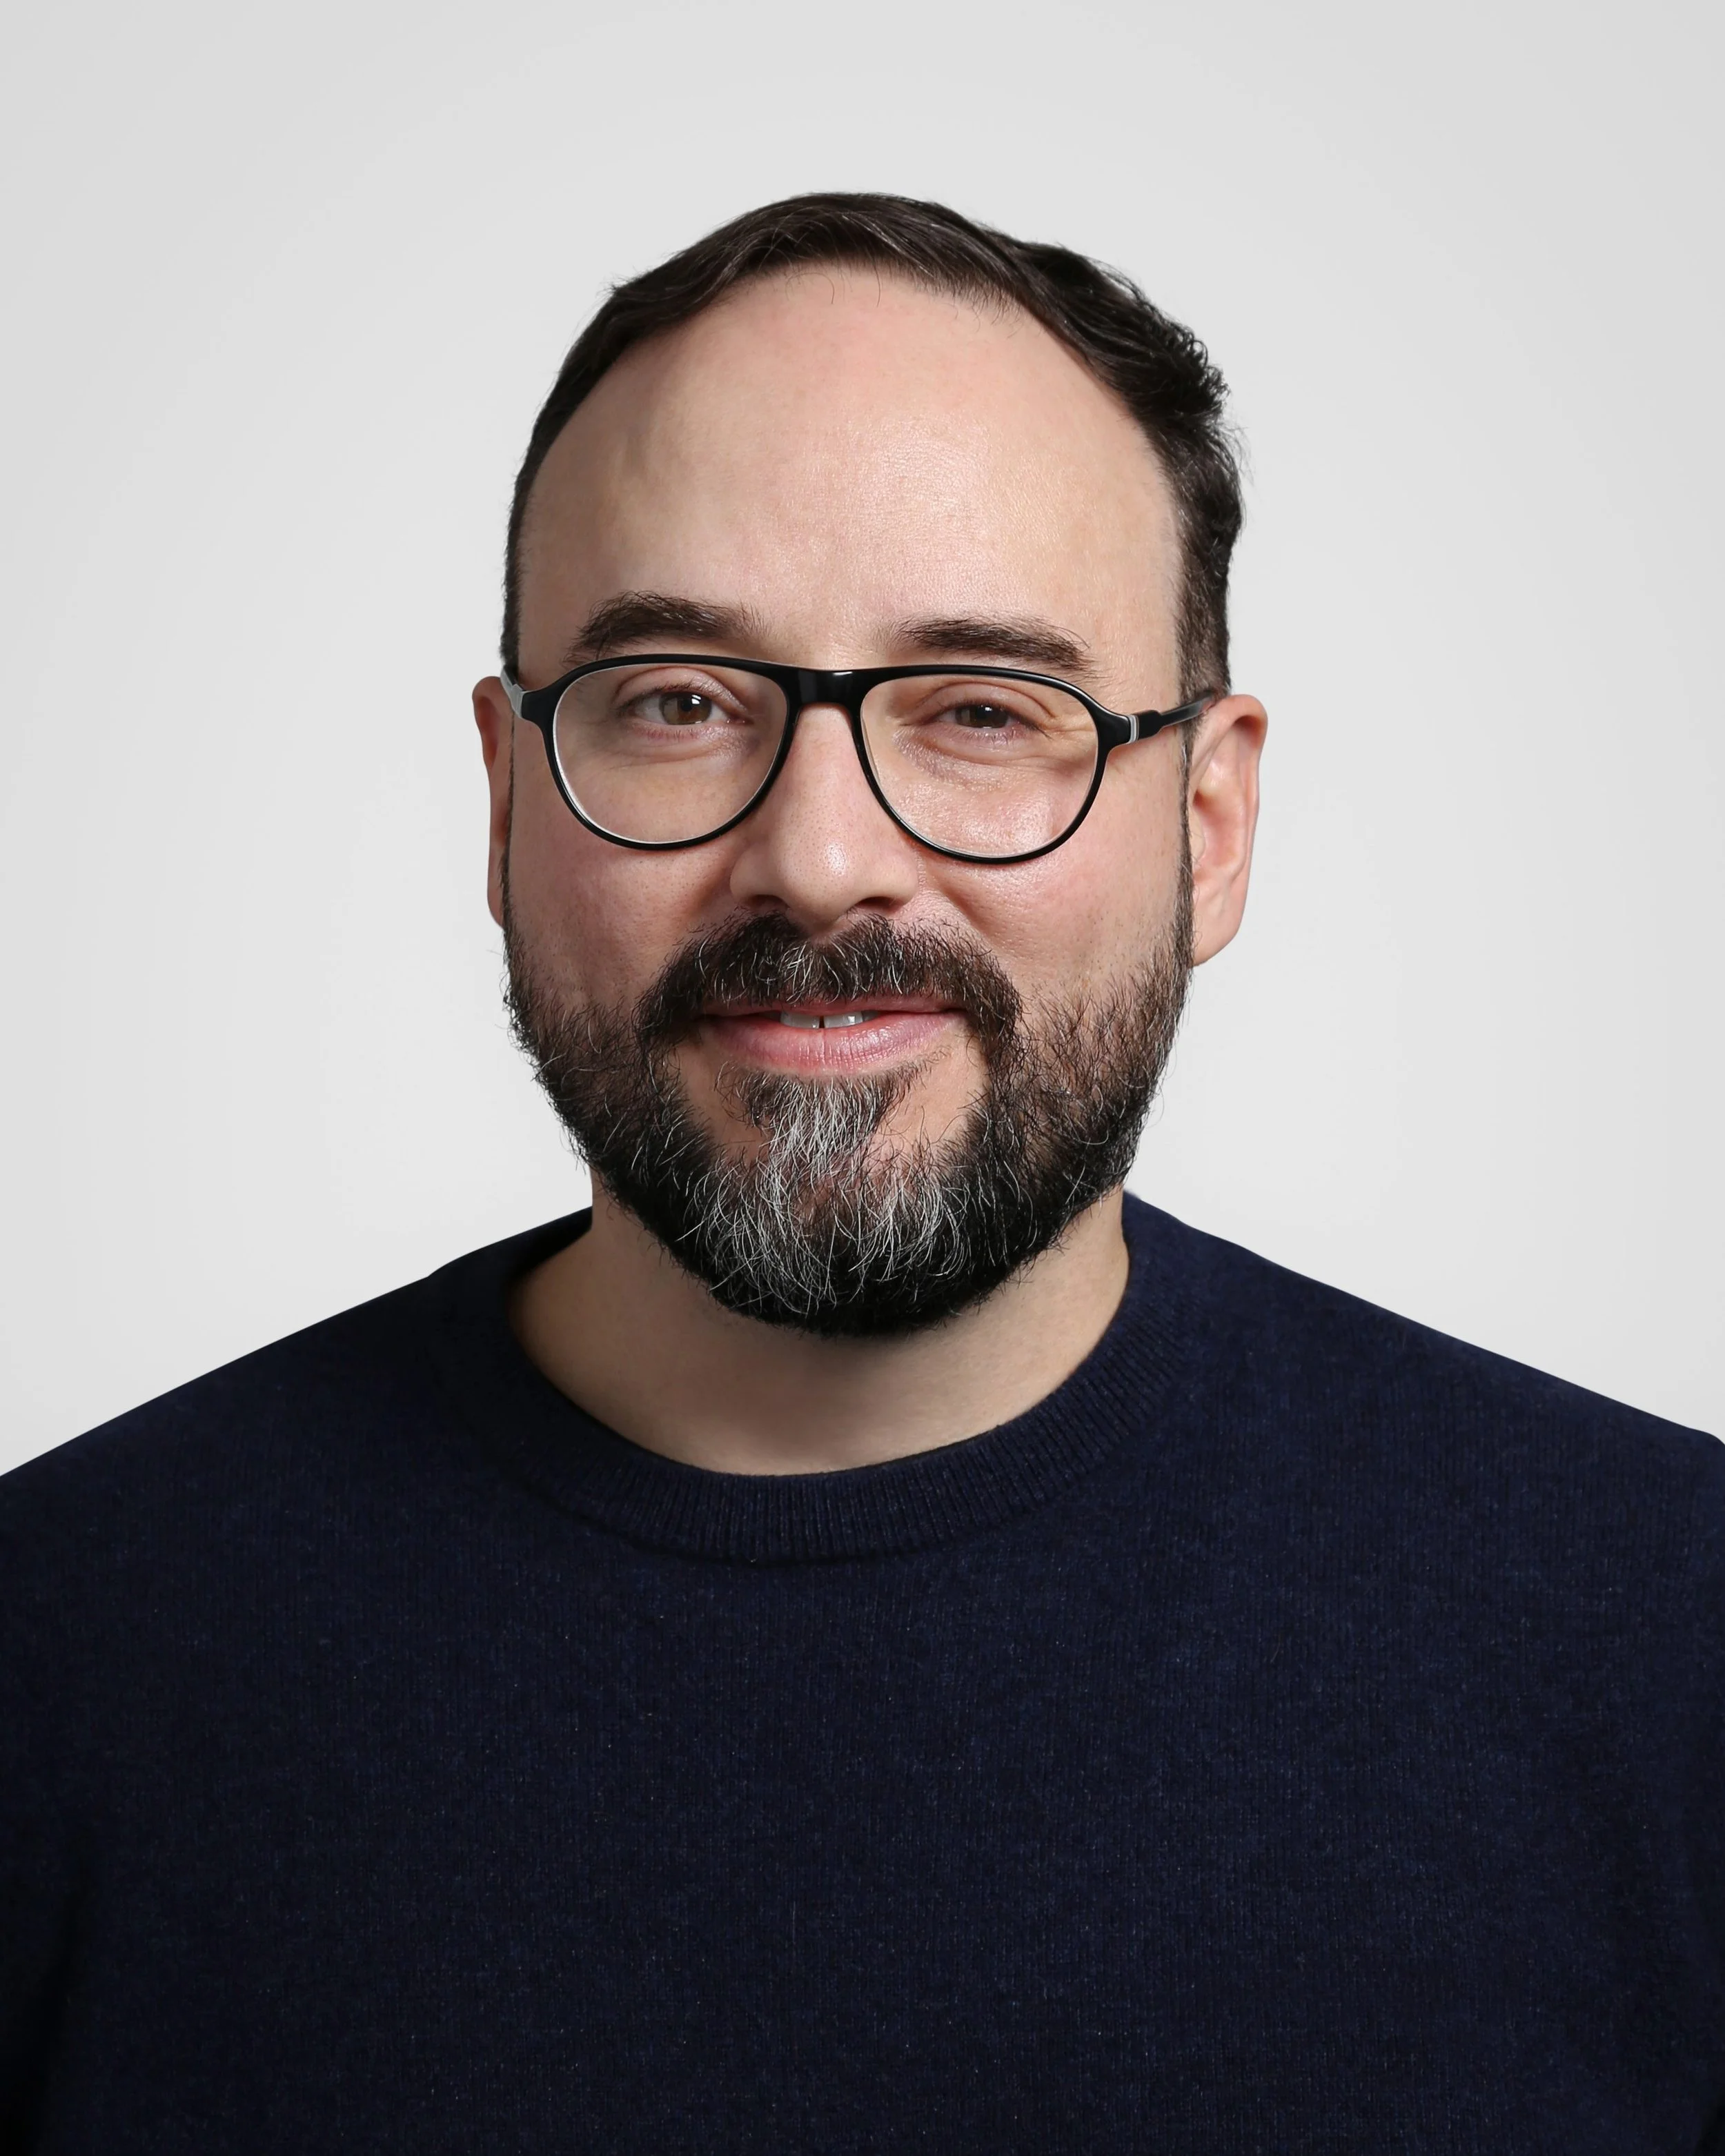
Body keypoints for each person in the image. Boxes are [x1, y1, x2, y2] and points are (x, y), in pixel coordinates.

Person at [1, 192, 1720, 2153]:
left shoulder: (1670, 1650)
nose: (818, 859)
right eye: (673, 703)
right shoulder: (54, 1666)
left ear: (1211, 820)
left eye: (986, 710)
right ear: (502, 799)